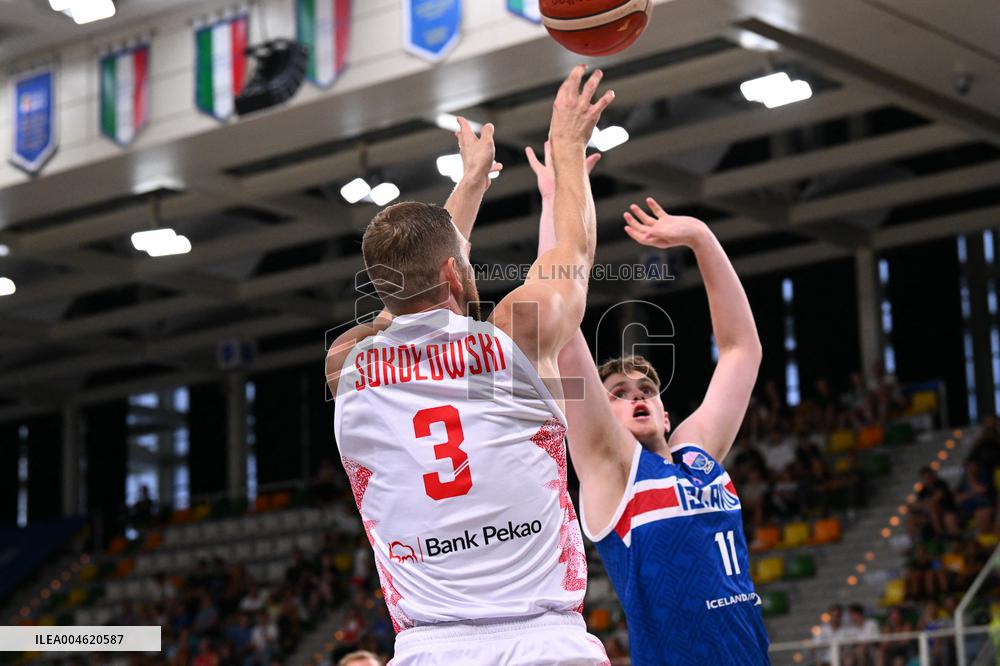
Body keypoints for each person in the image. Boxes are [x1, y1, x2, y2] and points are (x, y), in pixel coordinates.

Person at [326, 66, 614, 664]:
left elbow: (406, 288)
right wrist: (567, 146)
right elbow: (574, 253)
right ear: (454, 273)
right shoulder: (514, 338)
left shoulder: (345, 363)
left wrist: (470, 186)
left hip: (430, 647)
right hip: (544, 639)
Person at [530, 143, 767, 660]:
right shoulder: (613, 471)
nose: (636, 395)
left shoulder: (697, 457)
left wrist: (701, 238)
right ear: (602, 416)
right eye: (619, 394)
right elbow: (559, 322)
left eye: (647, 390)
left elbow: (741, 350)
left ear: (665, 413)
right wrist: (556, 200)